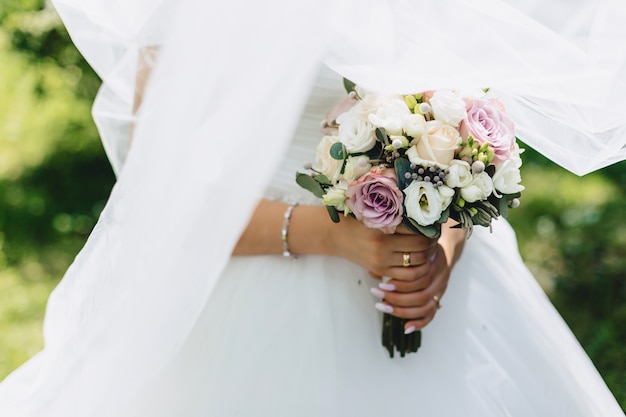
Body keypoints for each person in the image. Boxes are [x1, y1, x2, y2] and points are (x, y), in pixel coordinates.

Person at [1, 0, 625, 416]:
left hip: (432, 300)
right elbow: (160, 199)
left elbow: (464, 140)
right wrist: (332, 237)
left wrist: (441, 248)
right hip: (249, 295)